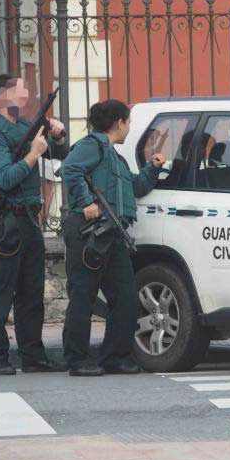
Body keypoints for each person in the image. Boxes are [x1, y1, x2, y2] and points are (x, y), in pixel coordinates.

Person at [60, 100, 165, 377]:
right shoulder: (91, 146)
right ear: (118, 123)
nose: (129, 127)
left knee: (125, 296)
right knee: (83, 295)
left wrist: (152, 169)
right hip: (89, 232)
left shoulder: (115, 157)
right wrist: (85, 202)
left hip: (114, 234)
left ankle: (114, 357)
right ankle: (77, 359)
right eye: (128, 122)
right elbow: (70, 169)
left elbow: (135, 187)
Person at [0, 74, 67, 376]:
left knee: (32, 292)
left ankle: (33, 355)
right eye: (21, 88)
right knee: (1, 291)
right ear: (4, 95)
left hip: (30, 220)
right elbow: (5, 177)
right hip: (5, 222)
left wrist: (56, 135)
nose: (27, 92)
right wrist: (34, 153)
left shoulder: (24, 127)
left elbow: (61, 155)